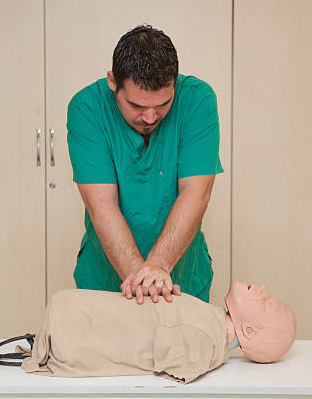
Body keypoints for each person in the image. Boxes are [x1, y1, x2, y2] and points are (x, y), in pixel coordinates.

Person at [66, 24, 224, 304]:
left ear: (175, 83)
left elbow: (196, 192)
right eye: (137, 106)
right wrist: (145, 281)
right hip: (106, 285)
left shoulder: (198, 100)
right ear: (113, 82)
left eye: (163, 104)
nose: (150, 117)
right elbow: (102, 204)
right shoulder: (87, 108)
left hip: (182, 282)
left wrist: (160, 267)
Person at [17, 281, 297, 384]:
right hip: (72, 316)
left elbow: (172, 364)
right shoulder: (208, 322)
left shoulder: (204, 340)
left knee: (81, 313)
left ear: (249, 330)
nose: (263, 290)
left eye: (268, 303)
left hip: (72, 326)